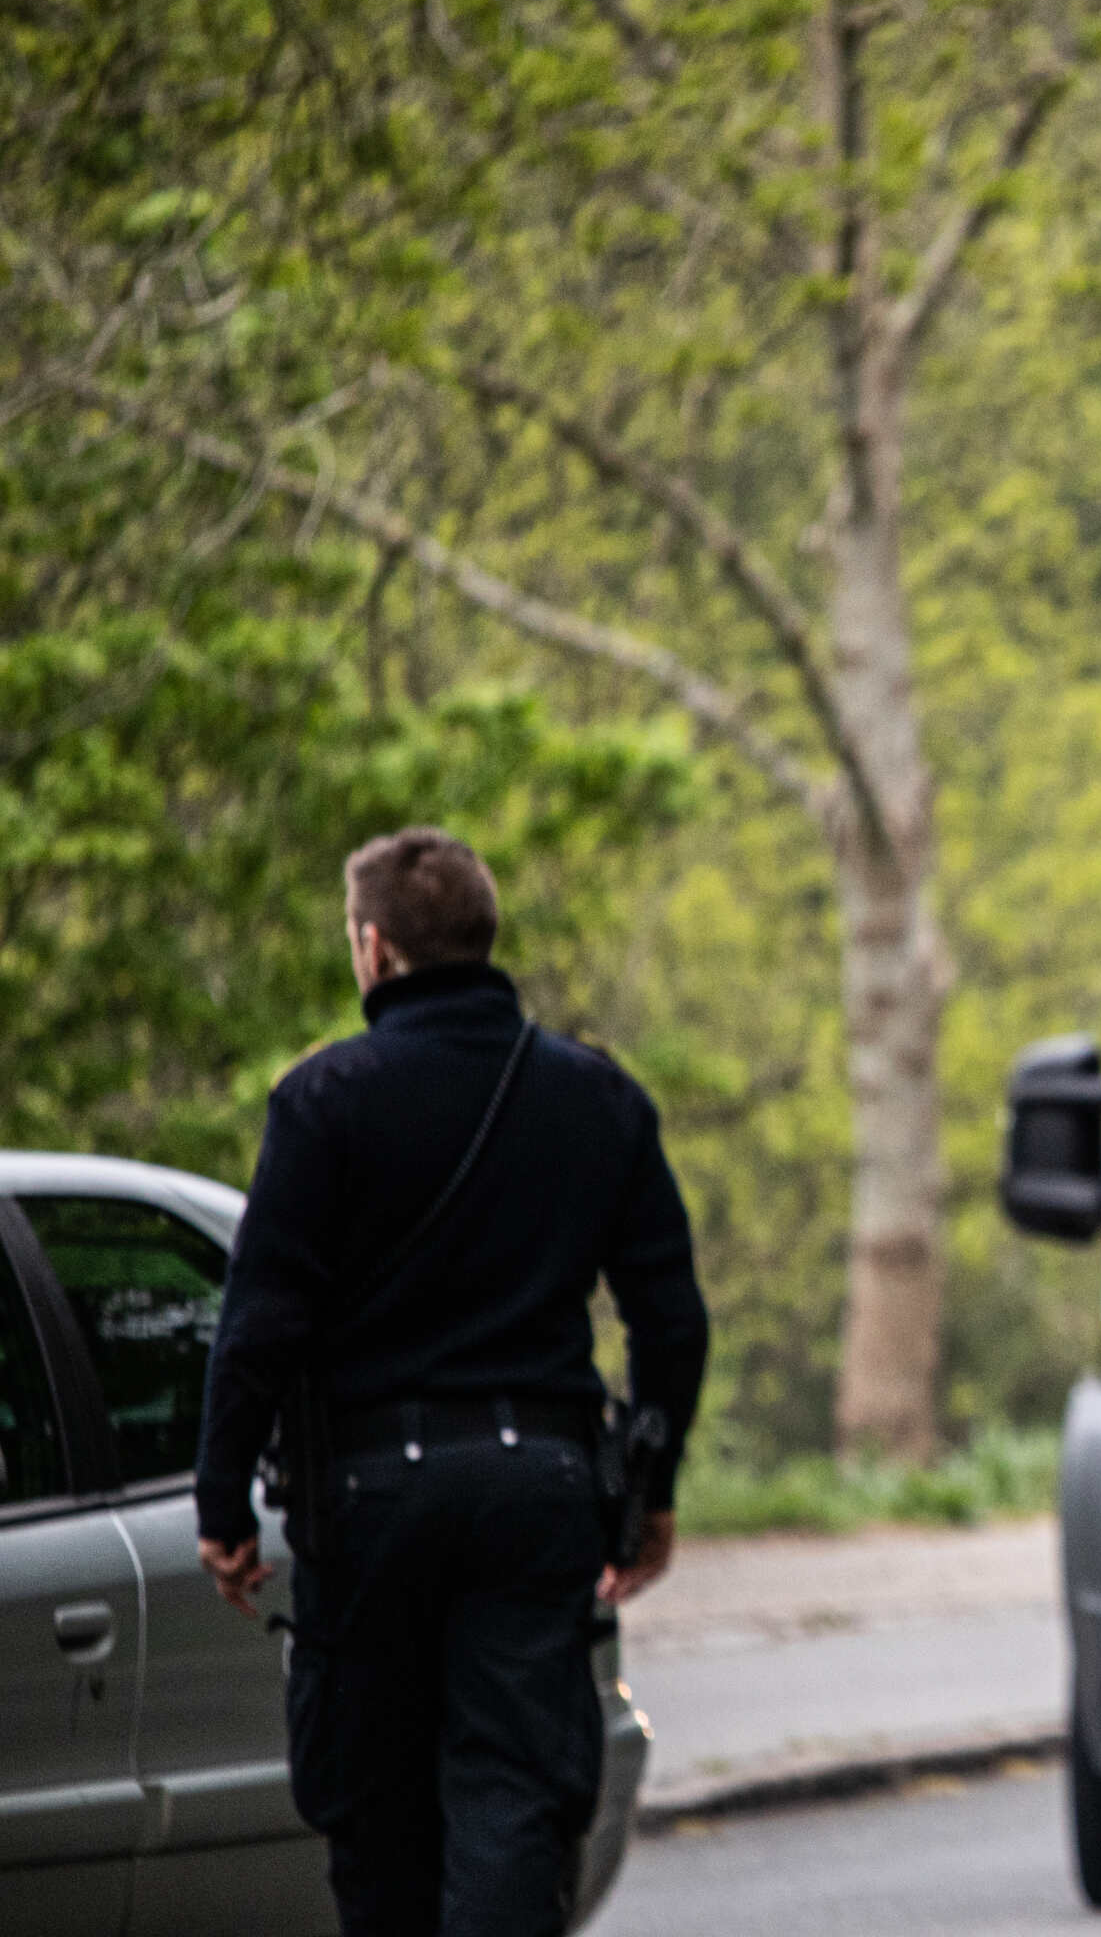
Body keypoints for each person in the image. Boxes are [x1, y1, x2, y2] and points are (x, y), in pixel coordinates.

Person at [194, 828, 710, 1937]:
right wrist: (650, 1489)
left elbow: (261, 1323)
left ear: (374, 948)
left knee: (376, 1806)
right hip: (540, 1493)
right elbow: (669, 1315)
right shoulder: (596, 1099)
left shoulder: (322, 1100)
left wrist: (222, 1498)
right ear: (484, 939)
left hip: (366, 1505)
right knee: (515, 1794)